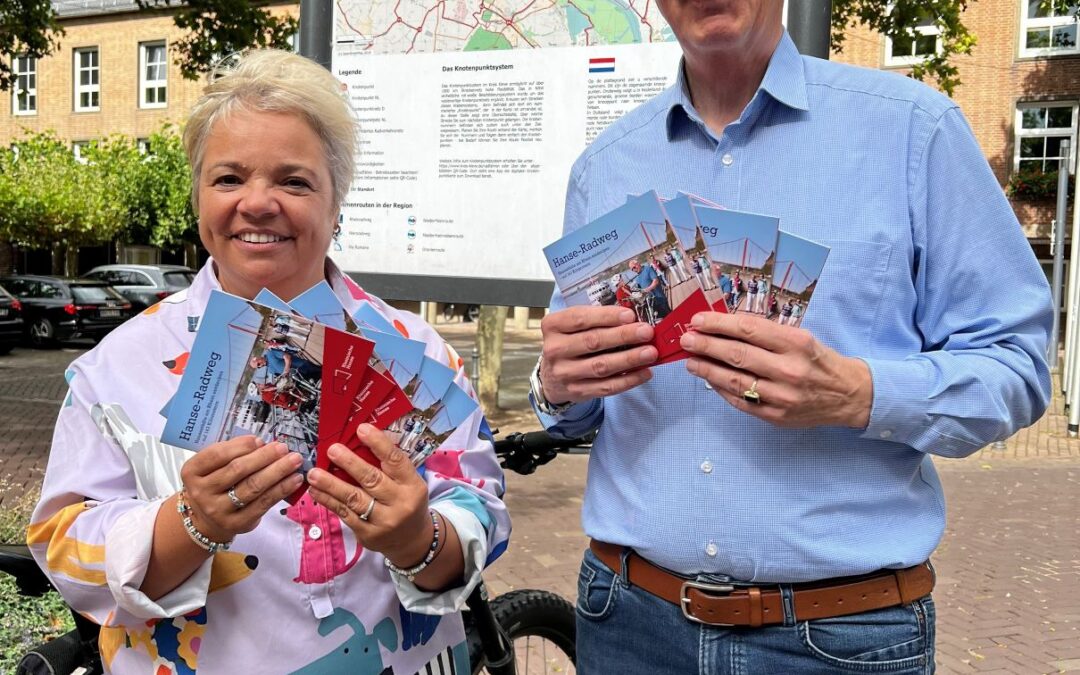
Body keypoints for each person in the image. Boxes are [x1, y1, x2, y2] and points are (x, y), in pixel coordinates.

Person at [528, 1, 1053, 672]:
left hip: (841, 638)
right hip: (628, 621)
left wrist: (860, 394)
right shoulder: (604, 168)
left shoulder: (914, 133)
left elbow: (1018, 365)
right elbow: (575, 407)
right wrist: (554, 385)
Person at [28, 50, 508, 675]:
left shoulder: (418, 354)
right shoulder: (115, 368)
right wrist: (189, 523)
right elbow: (63, 544)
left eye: (294, 180)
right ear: (198, 199)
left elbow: (483, 513)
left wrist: (418, 537)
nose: (257, 203)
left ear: (337, 204)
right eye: (228, 178)